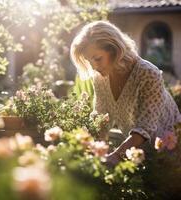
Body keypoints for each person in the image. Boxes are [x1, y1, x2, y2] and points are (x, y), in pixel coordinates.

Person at [70, 20, 181, 166]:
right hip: (136, 154)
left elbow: (145, 127)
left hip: (171, 155)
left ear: (115, 50)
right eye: (89, 61)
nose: (94, 67)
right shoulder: (100, 78)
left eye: (97, 59)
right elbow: (101, 120)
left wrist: (115, 156)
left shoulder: (148, 73)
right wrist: (91, 150)